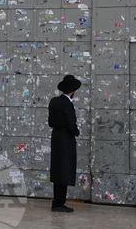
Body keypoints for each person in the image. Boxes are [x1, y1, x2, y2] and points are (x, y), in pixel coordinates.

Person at [48, 74, 81, 213]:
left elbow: (50, 122)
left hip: (56, 137)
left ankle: (57, 201)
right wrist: (76, 132)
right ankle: (59, 203)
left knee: (58, 170)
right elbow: (71, 123)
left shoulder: (54, 101)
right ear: (73, 91)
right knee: (65, 169)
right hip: (65, 139)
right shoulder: (67, 104)